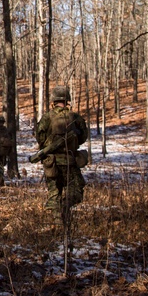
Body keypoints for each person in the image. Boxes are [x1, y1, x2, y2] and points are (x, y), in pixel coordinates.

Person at [31, 85, 89, 216]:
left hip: (51, 162)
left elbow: (40, 138)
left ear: (53, 101)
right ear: (67, 100)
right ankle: (65, 209)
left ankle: (56, 224)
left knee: (54, 194)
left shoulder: (46, 118)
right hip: (70, 161)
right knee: (76, 191)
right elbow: (83, 137)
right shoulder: (75, 117)